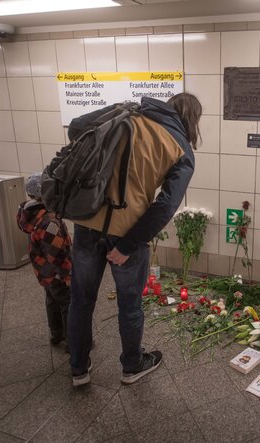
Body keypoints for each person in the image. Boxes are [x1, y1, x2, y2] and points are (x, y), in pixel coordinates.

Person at [68, 93, 202, 387]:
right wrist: (127, 246)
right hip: (128, 232)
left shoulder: (126, 114)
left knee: (81, 300)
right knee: (129, 305)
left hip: (86, 221)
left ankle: (78, 368)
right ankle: (132, 365)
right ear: (193, 121)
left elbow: (76, 126)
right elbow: (165, 206)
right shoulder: (181, 150)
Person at [17, 173, 72, 351]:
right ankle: (73, 342)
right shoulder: (49, 223)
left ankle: (56, 334)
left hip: (43, 271)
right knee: (67, 303)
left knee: (51, 299)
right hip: (56, 272)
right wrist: (67, 273)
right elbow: (57, 254)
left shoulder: (29, 213)